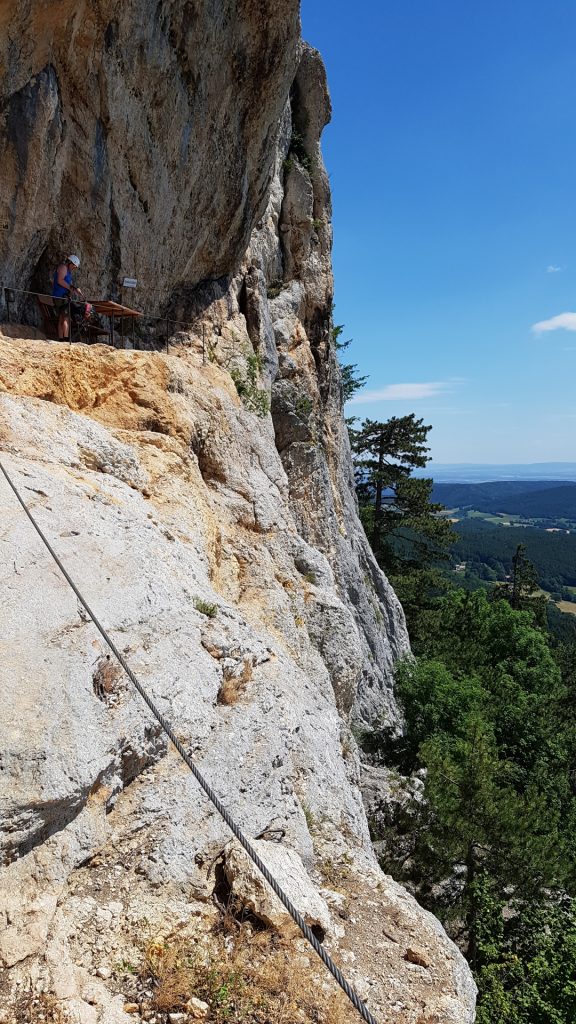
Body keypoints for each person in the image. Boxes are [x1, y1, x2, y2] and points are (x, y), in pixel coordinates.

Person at [52, 255, 83, 340]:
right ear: (70, 262)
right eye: (74, 266)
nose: (74, 268)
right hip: (60, 296)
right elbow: (60, 280)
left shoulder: (68, 271)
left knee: (62, 318)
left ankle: (61, 339)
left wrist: (75, 289)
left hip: (62, 296)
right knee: (66, 318)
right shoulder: (63, 268)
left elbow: (67, 284)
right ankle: (65, 339)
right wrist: (71, 288)